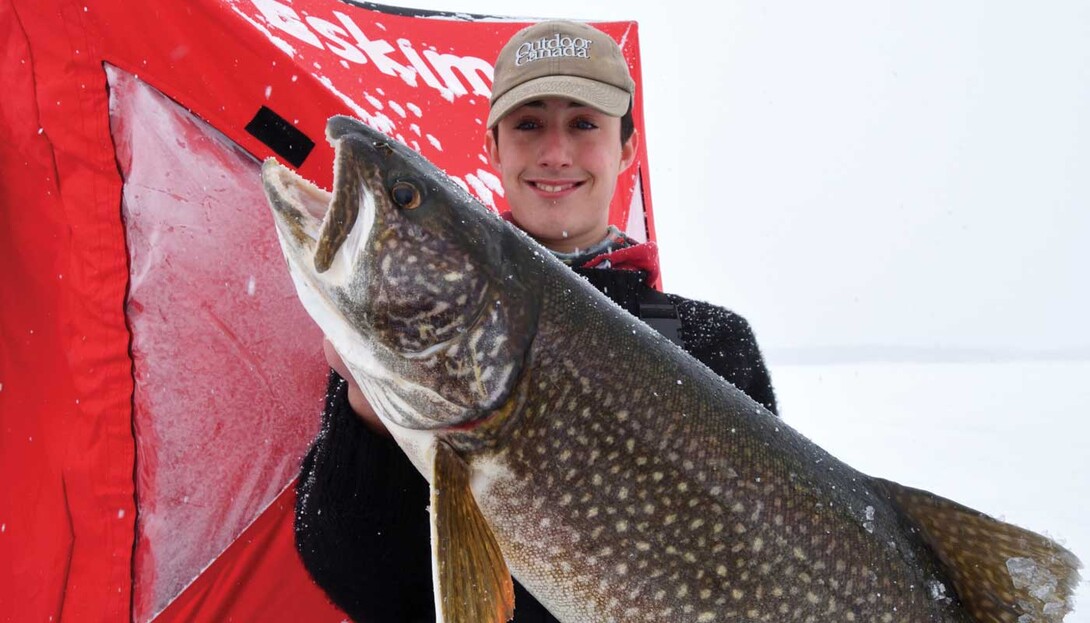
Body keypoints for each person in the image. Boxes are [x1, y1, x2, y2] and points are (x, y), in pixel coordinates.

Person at [294, 20, 777, 623]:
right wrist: (367, 417)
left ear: (626, 146)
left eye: (583, 123)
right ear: (494, 146)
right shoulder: (408, 350)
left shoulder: (716, 343)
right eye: (528, 125)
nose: (554, 152)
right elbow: (364, 579)